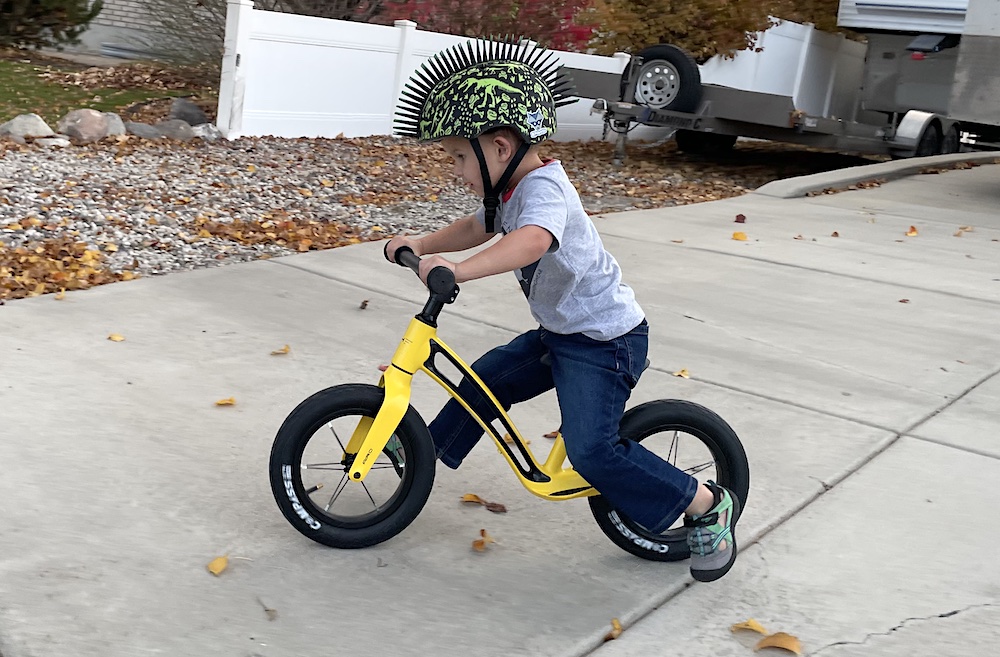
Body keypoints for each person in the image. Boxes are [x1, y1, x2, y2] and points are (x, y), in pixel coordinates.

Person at [386, 37, 740, 582]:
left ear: (499, 147)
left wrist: (458, 271)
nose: (457, 170)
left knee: (592, 451)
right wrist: (423, 244)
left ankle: (704, 504)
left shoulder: (544, 188)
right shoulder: (508, 191)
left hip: (605, 343)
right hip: (561, 333)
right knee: (483, 381)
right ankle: (424, 452)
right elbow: (480, 226)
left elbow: (531, 240)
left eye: (459, 157)